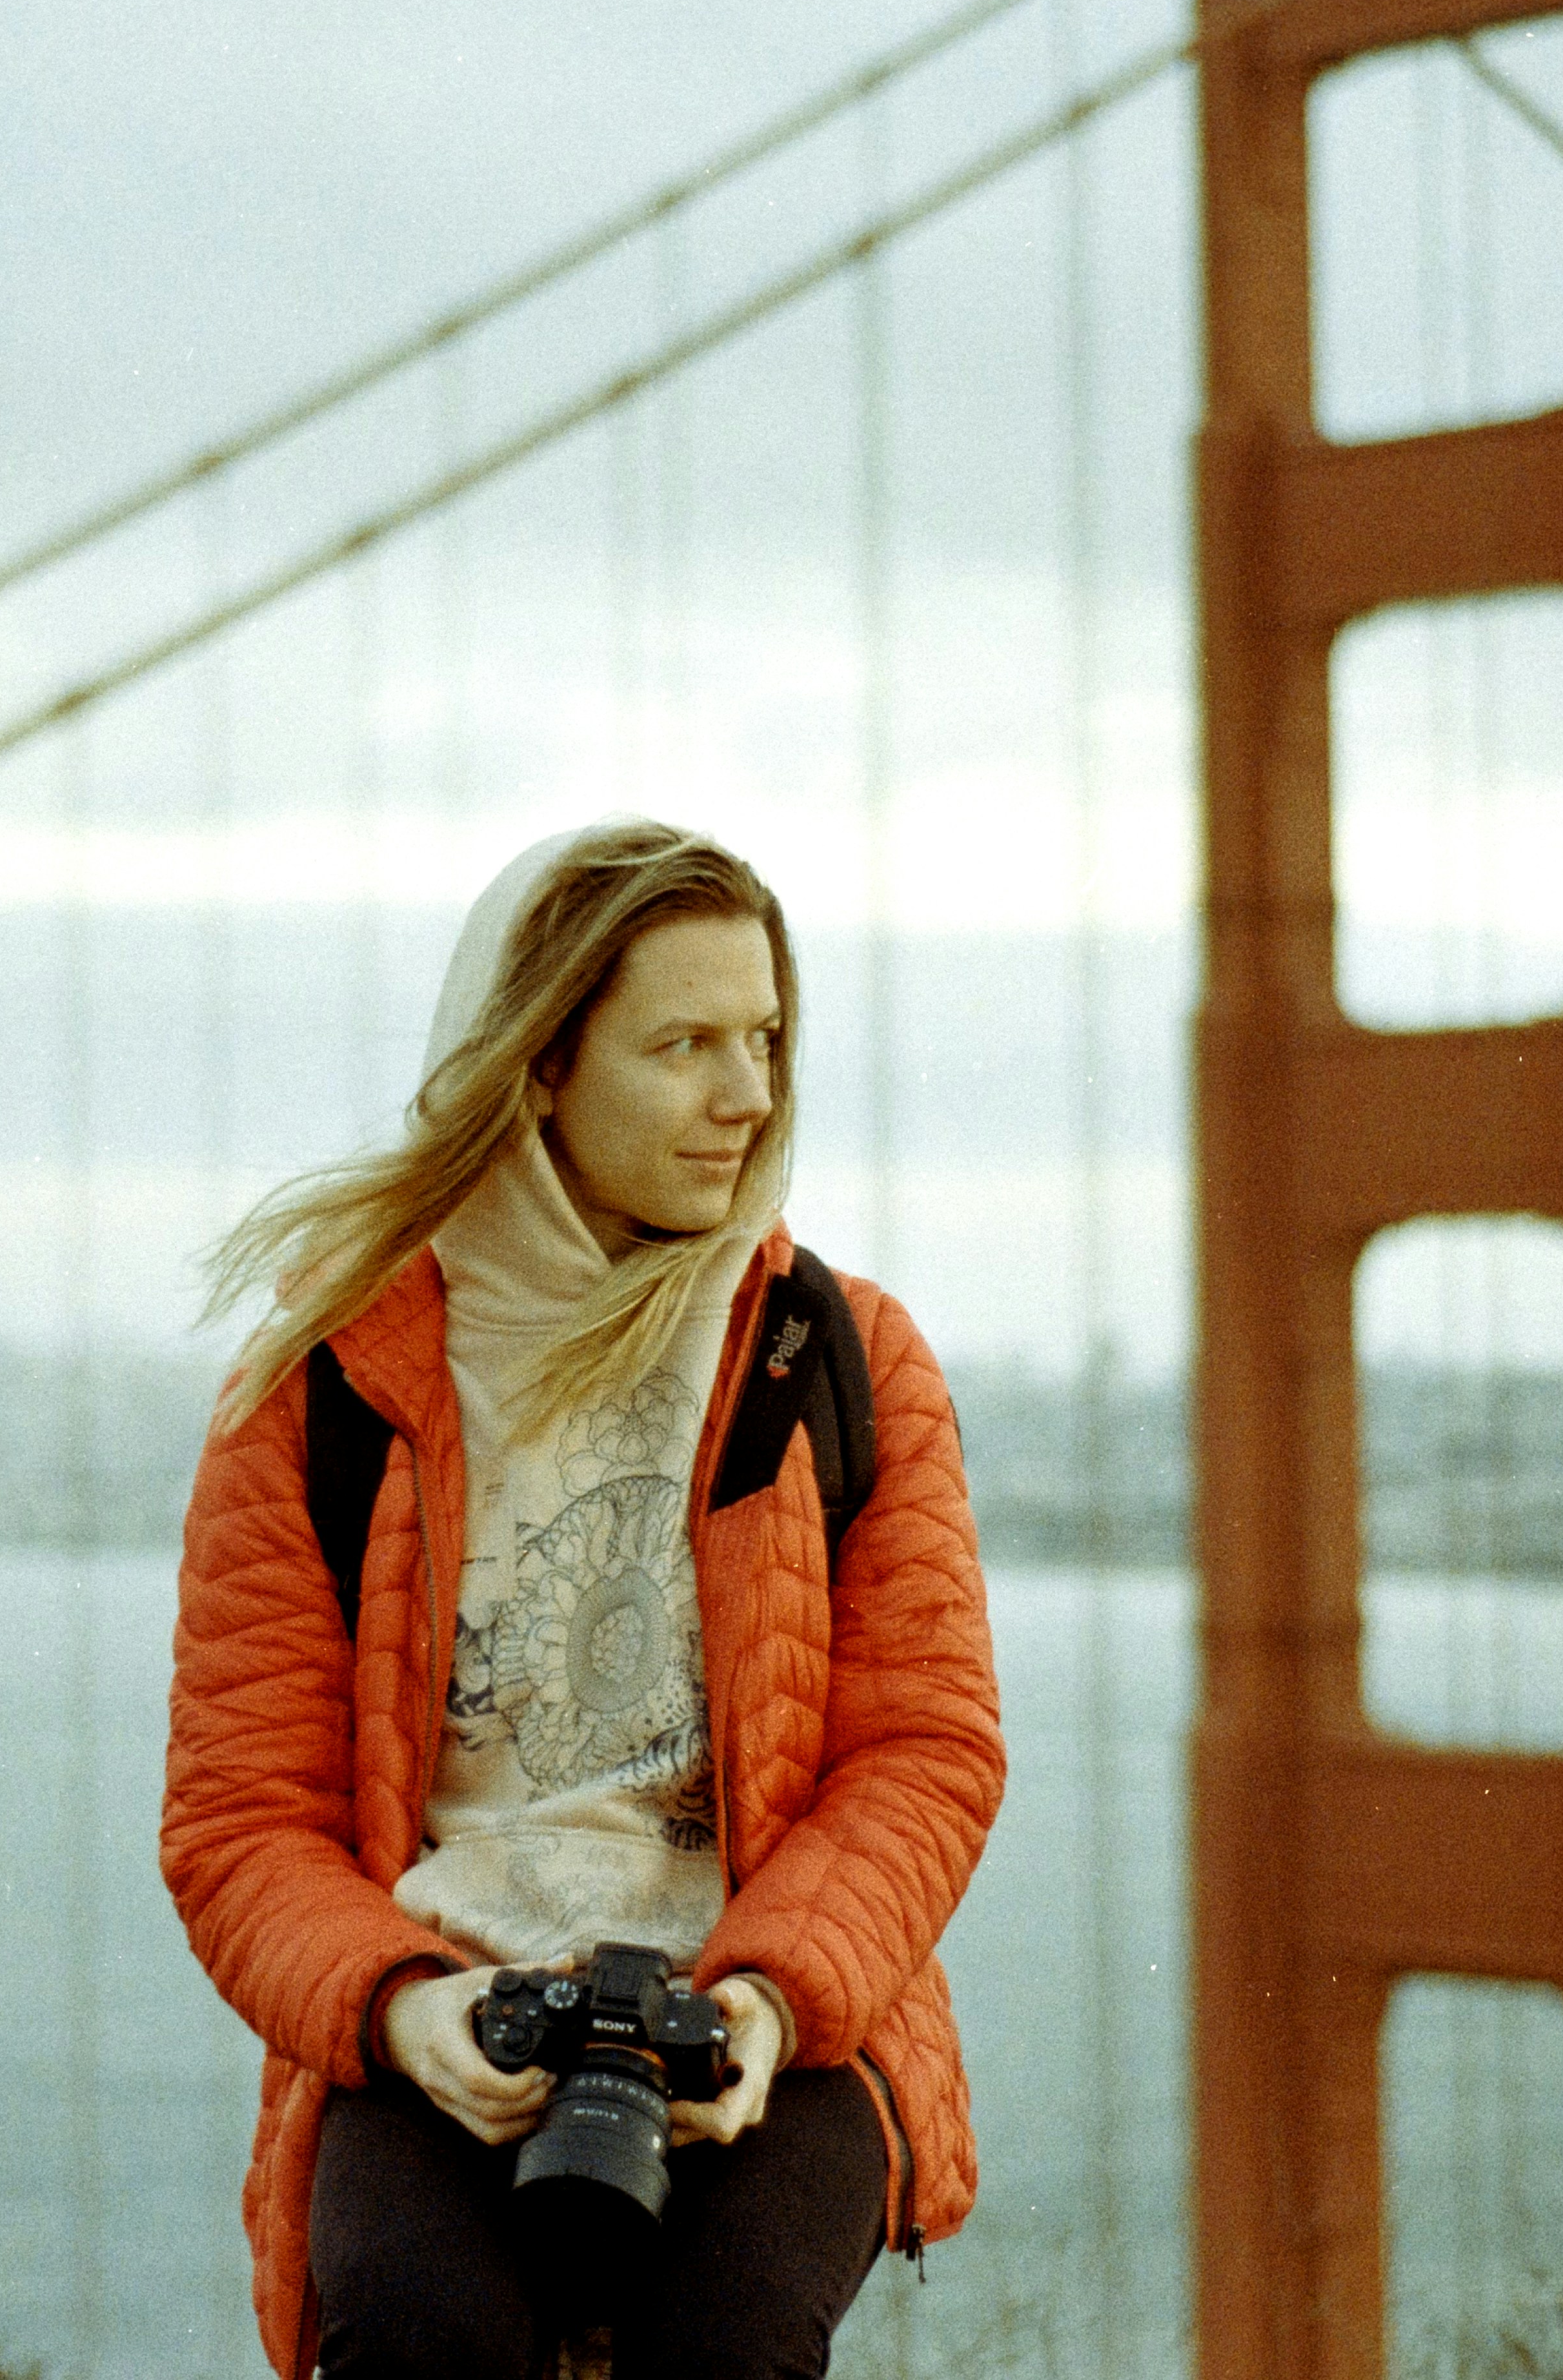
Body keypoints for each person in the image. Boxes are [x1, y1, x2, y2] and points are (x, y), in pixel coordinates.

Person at [161, 820, 1006, 2380]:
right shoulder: (330, 1381)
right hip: (439, 2006)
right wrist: (401, 2012)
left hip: (772, 2012)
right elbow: (237, 1819)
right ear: (537, 1063)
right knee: (423, 2337)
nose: (748, 1097)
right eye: (684, 1044)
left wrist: (767, 2000)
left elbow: (927, 1752)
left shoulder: (835, 1358)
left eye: (763, 1038)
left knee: (730, 2341)